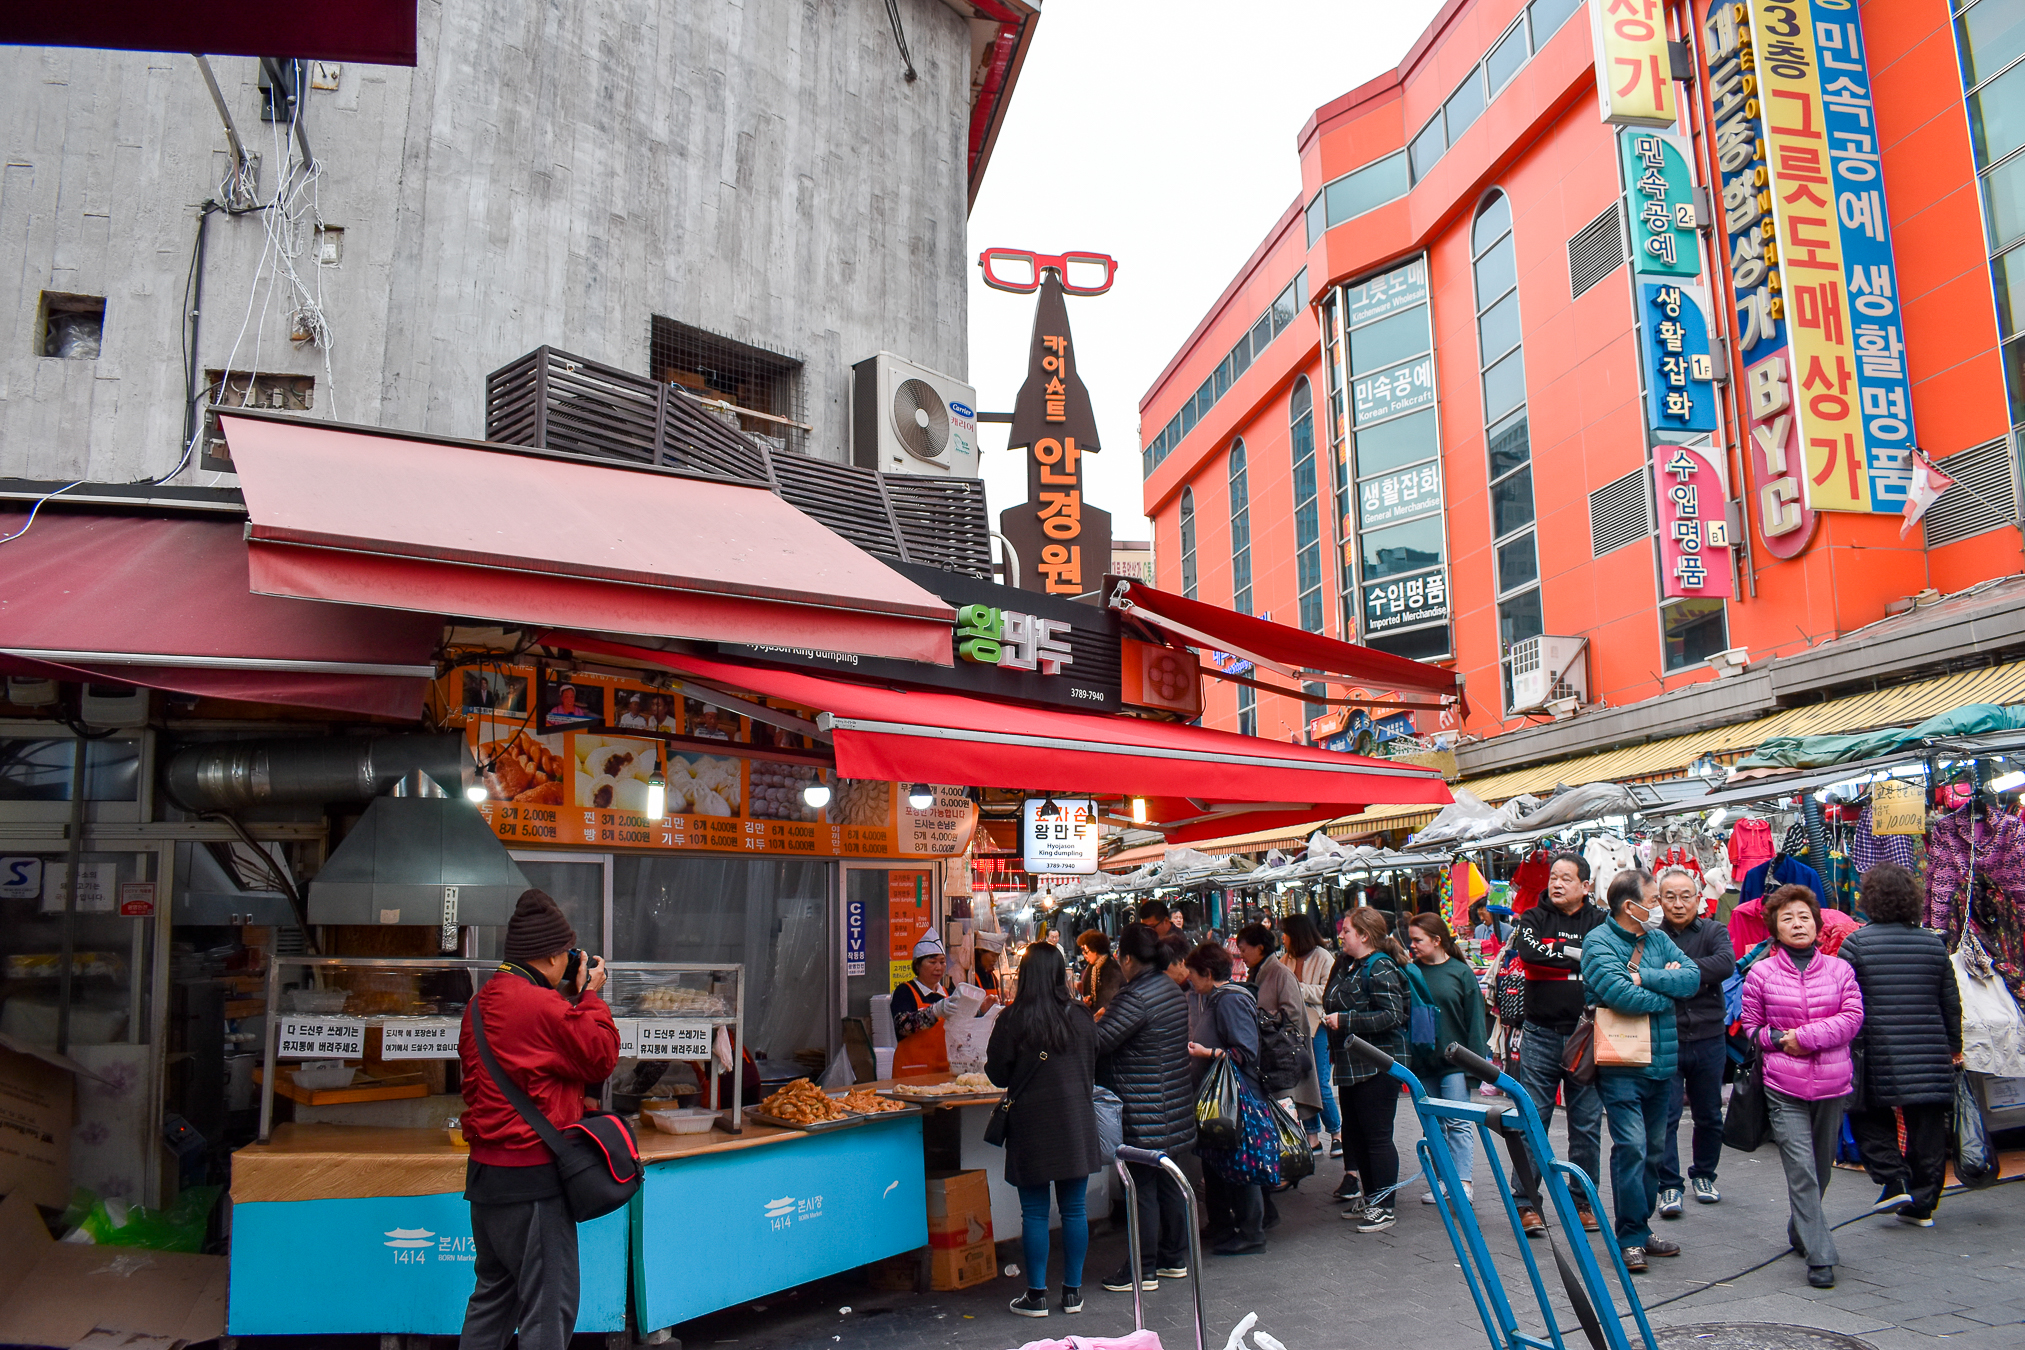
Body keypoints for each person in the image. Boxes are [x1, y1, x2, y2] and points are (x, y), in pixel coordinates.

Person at [458, 889, 621, 1350]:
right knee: (547, 1313)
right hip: (532, 1184)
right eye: (568, 954)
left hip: (485, 1182)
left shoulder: (478, 1005)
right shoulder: (542, 1006)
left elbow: (528, 1068)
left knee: (492, 1302)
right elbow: (600, 1057)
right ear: (552, 955)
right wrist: (589, 996)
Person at [1740, 884, 1865, 1289]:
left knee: (1821, 1169)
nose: (1797, 924)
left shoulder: (1840, 969)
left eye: (1804, 917)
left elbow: (1852, 1018)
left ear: (1817, 923)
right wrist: (1778, 1041)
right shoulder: (1761, 972)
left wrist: (1805, 1037)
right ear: (1774, 927)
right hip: (1783, 1085)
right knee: (1801, 1170)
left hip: (1833, 1083)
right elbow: (1752, 1028)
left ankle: (1801, 1228)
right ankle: (1821, 1254)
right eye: (1788, 918)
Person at [1582, 869, 1701, 1272]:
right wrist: (1665, 991)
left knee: (1653, 1152)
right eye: (1653, 900)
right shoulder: (1597, 942)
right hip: (1620, 1065)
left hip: (1661, 1065)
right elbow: (1621, 996)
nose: (1660, 907)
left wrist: (1646, 976)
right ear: (1628, 905)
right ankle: (1629, 1236)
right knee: (1630, 1147)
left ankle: (1642, 1227)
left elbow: (1692, 978)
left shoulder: (1658, 937)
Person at [985, 941, 1105, 1318]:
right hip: (1075, 1123)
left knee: (1034, 1214)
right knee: (1074, 1210)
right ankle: (1072, 1293)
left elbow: (997, 1073)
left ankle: (1035, 1295)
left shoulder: (1012, 1018)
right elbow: (1093, 1063)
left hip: (1031, 1126)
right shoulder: (1082, 1017)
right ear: (1059, 974)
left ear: (1024, 975)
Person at [1840, 862, 1961, 1228]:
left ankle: (1894, 1179)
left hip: (1879, 1053)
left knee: (1866, 1114)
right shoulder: (1932, 943)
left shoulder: (1856, 944)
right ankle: (1922, 1205)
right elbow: (1950, 1001)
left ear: (1870, 900)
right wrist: (1953, 1045)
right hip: (1930, 1051)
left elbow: (1845, 1001)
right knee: (1927, 1127)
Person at [1507, 851, 1608, 1237]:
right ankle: (1526, 1203)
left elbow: (1605, 958)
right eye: (1554, 876)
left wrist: (1560, 957)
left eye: (1567, 877)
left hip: (1586, 1033)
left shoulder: (1600, 920)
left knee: (1586, 1123)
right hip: (1540, 1034)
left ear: (1585, 885)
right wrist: (1579, 957)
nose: (1557, 883)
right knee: (1533, 1119)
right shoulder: (1533, 917)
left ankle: (1583, 1201)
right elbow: (1529, 954)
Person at [1094, 924, 1196, 1293]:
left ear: (1126, 959)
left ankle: (1143, 1268)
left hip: (1144, 1105)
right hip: (1173, 1104)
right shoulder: (1169, 987)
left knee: (1143, 1189)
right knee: (1168, 1185)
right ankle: (1173, 1259)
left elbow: (1101, 1042)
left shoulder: (1134, 996)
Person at [1321, 908, 1410, 1233]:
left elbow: (1392, 1015)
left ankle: (1385, 1203)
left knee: (1376, 1137)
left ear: (1364, 935)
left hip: (1377, 1065)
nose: (1341, 935)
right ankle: (1372, 1197)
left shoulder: (1380, 966)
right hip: (1351, 1066)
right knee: (1356, 1135)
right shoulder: (1348, 965)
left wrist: (1346, 1021)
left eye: (1347, 930)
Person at [1653, 865, 1735, 1218]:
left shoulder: (1715, 930)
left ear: (1698, 899)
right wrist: (1691, 974)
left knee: (1709, 1115)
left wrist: (1680, 973)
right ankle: (1669, 1185)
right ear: (1659, 901)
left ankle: (1704, 1174)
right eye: (1670, 897)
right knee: (1665, 1116)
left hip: (1708, 1037)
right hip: (1667, 1037)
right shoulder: (1652, 937)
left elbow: (1725, 964)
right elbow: (1647, 975)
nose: (1679, 903)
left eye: (1686, 896)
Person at [1184, 941, 1268, 1255]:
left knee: (1240, 1163)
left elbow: (1246, 1052)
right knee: (1220, 1162)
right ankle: (1224, 1225)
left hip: (1237, 1096)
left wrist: (1208, 1052)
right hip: (1220, 1095)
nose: (1190, 979)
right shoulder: (1216, 998)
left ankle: (1251, 1232)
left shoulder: (1230, 1001)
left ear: (1207, 972)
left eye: (1193, 974)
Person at [1406, 912, 1491, 1206]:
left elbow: (1475, 1023)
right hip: (1421, 1062)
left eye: (1418, 939)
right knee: (1435, 1124)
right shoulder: (1412, 972)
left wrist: (1475, 1067)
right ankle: (1445, 1181)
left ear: (1436, 940)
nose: (1413, 945)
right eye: (1411, 940)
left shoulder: (1461, 972)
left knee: (1457, 1121)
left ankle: (1463, 1183)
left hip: (1455, 1062)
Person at [1280, 914, 1341, 1156]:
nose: (1282, 938)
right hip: (1293, 1030)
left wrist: (1296, 988)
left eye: (1285, 934)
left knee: (1320, 1083)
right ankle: (1312, 1136)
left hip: (1318, 1028)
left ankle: (1337, 1132)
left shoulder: (1323, 957)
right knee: (1302, 1083)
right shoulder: (1286, 958)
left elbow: (1327, 992)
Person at [891, 934, 954, 1076]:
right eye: (932, 962)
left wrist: (982, 1011)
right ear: (917, 965)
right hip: (912, 1072)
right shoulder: (905, 991)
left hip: (944, 1071)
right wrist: (935, 1012)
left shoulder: (950, 993)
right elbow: (903, 1026)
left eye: (942, 962)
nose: (939, 967)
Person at [1078, 929, 1123, 1013]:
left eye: (1086, 952)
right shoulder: (1092, 967)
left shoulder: (1112, 969)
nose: (1084, 955)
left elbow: (1110, 1000)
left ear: (1095, 950)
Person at [974, 931, 1004, 1001]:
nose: (995, 960)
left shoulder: (993, 978)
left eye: (997, 956)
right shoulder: (973, 977)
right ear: (981, 952)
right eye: (993, 955)